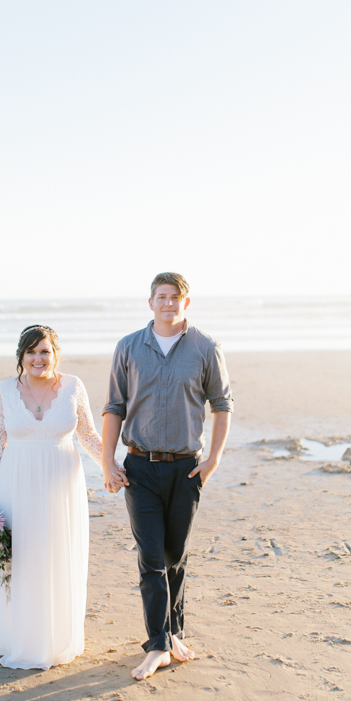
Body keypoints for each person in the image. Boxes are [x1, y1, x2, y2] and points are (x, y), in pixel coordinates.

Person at [102, 273, 233, 680]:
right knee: (152, 559)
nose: (168, 303)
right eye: (161, 297)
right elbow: (114, 407)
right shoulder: (128, 347)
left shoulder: (205, 347)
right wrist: (108, 462)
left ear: (186, 303)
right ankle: (157, 645)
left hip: (185, 467)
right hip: (139, 467)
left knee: (176, 557)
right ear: (151, 302)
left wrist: (212, 460)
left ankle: (174, 632)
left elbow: (222, 404)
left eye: (175, 297)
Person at [0, 324, 111, 670]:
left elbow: (88, 435)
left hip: (61, 485)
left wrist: (112, 468)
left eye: (45, 351)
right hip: (17, 483)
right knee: (21, 558)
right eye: (31, 352)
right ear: (21, 356)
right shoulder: (5, 391)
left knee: (57, 553)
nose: (38, 358)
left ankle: (57, 637)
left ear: (56, 354)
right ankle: (19, 638)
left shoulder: (73, 387)